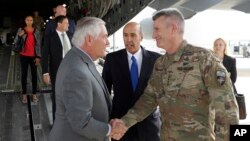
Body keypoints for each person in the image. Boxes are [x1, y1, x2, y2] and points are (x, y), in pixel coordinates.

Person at [111, 8, 239, 141]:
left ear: (173, 28)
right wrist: (125, 122)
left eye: (157, 29)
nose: (154, 35)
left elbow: (227, 112)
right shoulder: (160, 64)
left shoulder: (204, 59)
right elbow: (149, 99)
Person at [48, 16, 127, 141]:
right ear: (89, 39)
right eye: (104, 36)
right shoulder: (76, 71)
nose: (108, 42)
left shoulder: (78, 58)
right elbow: (81, 122)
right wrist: (110, 130)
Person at [102, 22, 161, 141]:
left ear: (141, 37)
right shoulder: (112, 59)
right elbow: (104, 93)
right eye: (125, 35)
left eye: (133, 35)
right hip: (121, 125)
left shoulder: (157, 60)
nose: (128, 39)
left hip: (148, 125)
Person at [41, 15, 73, 121]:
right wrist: (45, 72)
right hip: (57, 72)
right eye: (66, 23)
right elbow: (45, 55)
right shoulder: (50, 37)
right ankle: (57, 123)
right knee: (57, 98)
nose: (68, 25)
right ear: (59, 24)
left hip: (72, 72)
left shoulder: (71, 35)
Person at [14, 15, 41, 103]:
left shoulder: (36, 30)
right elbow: (15, 42)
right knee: (24, 75)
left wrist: (38, 57)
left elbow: (38, 45)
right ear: (25, 21)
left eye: (31, 20)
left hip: (33, 56)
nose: (29, 21)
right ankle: (24, 94)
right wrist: (19, 35)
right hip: (23, 55)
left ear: (33, 21)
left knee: (34, 75)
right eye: (27, 20)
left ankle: (34, 94)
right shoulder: (21, 30)